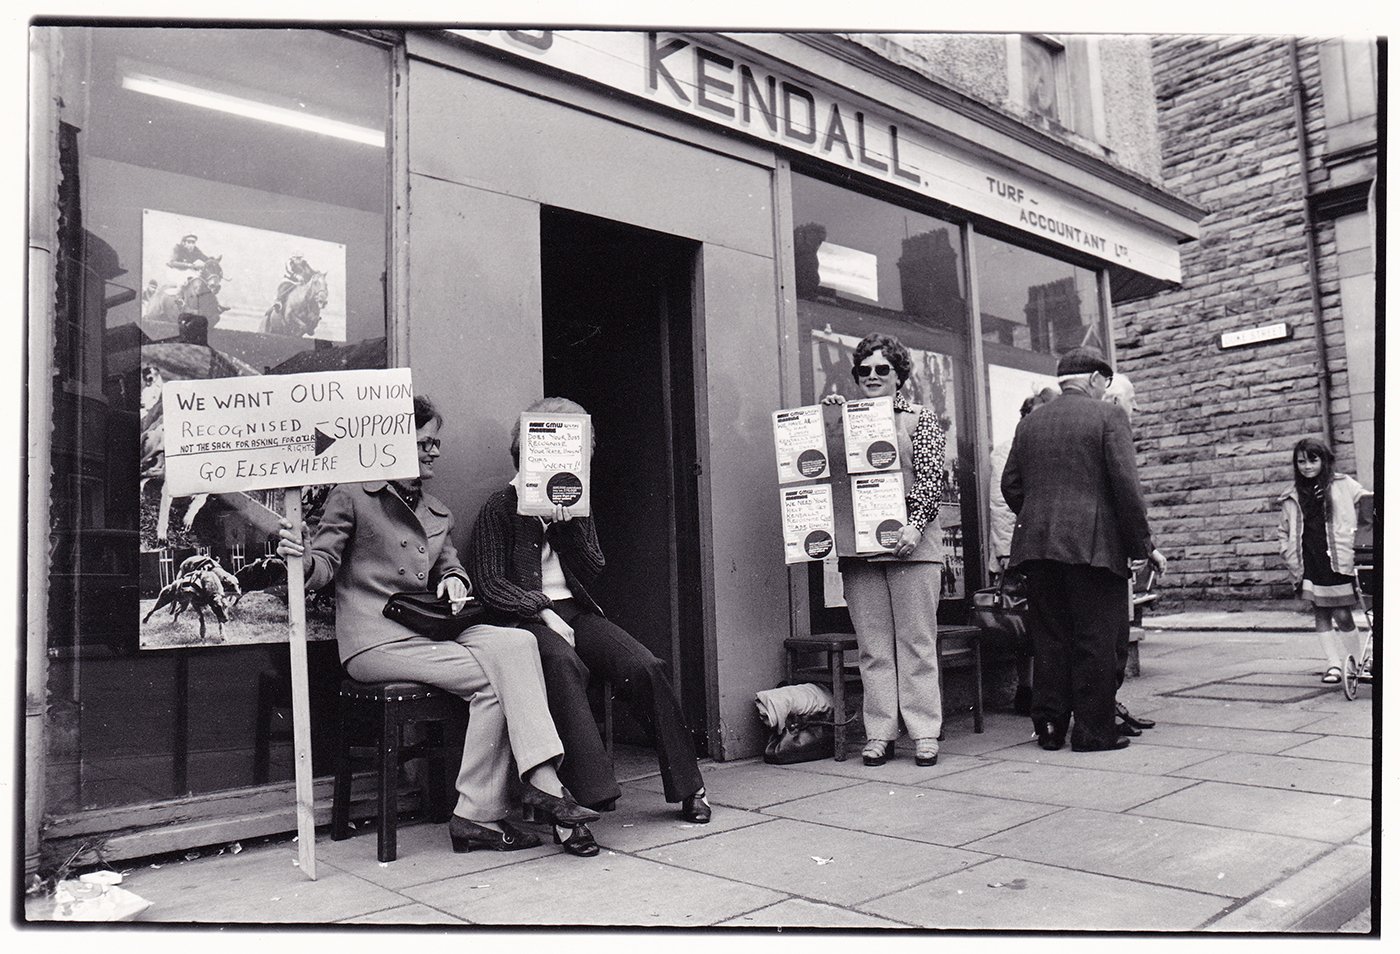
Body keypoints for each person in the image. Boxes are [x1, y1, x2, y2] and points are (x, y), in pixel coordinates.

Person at [277, 394, 602, 857]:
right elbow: (324, 565)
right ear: (396, 442)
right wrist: (301, 557)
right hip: (375, 642)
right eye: (425, 442)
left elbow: (450, 564)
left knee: (518, 643)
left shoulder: (437, 510)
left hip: (428, 630)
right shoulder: (352, 495)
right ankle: (510, 799)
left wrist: (452, 579)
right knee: (496, 680)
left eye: (436, 442)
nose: (434, 451)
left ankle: (516, 796)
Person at [467, 397, 711, 823]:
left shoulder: (573, 502)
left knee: (645, 666)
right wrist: (542, 610)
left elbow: (593, 566)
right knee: (563, 666)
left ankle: (691, 787)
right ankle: (587, 797)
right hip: (526, 621)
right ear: (526, 451)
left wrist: (565, 527)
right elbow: (490, 586)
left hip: (575, 612)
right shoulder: (499, 507)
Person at [1002, 347, 1167, 753]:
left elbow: (1011, 486)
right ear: (1095, 379)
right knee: (1096, 638)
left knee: (1051, 638)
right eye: (1105, 382)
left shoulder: (1030, 423)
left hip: (1038, 548)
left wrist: (1043, 516)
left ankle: (1050, 729)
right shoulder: (1109, 416)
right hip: (1095, 548)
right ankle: (1093, 733)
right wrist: (1141, 545)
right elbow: (1127, 489)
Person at [822, 334, 947, 768]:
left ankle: (925, 732)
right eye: (864, 371)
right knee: (873, 648)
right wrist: (829, 421)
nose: (873, 377)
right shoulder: (842, 418)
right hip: (860, 551)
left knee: (916, 642)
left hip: (914, 547)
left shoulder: (920, 418)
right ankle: (879, 734)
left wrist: (914, 527)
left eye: (882, 370)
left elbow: (932, 479)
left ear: (899, 376)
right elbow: (824, 476)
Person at [1277, 438, 1373, 685]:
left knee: (1342, 614)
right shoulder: (1292, 494)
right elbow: (1284, 530)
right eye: (1301, 461)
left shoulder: (1343, 484)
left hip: (1337, 559)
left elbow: (1369, 507)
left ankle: (1355, 661)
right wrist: (1286, 553)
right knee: (1320, 613)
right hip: (1308, 560)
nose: (1307, 466)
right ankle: (1333, 665)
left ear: (1324, 460)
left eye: (1313, 460)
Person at [987, 387, 1057, 715]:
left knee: (1039, 621)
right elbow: (1001, 503)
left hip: (1043, 548)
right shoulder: (1006, 450)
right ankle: (1025, 687)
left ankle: (1037, 688)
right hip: (1016, 549)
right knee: (1021, 622)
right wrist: (1003, 551)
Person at [1100, 372, 1157, 737]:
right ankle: (1106, 708)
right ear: (1116, 401)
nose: (1136, 407)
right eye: (1132, 399)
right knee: (1110, 637)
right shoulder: (1111, 427)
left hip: (1107, 549)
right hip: (1104, 553)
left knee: (1114, 637)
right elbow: (1125, 497)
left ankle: (1110, 703)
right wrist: (1142, 548)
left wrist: (1149, 547)